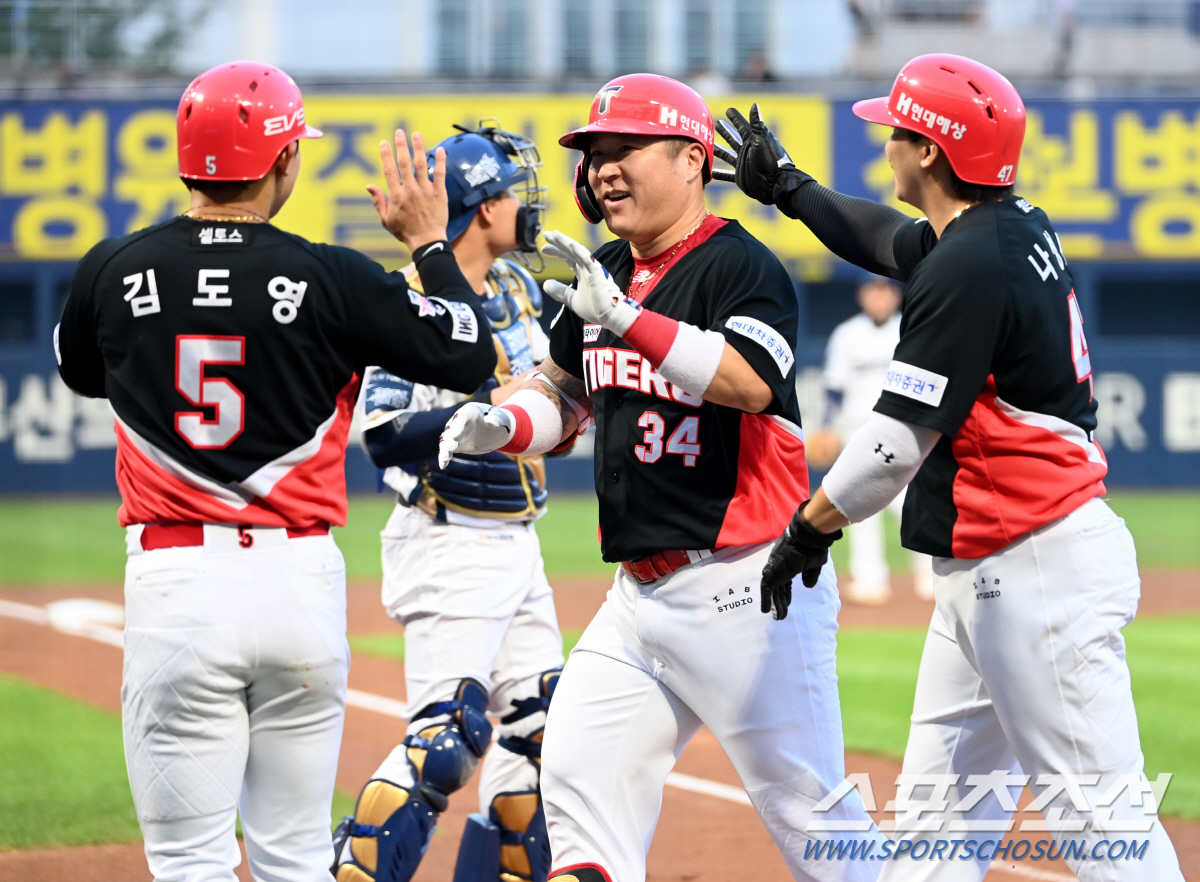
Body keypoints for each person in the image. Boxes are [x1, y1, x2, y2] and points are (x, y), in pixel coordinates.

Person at [715, 55, 1185, 880]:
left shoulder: (968, 265)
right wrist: (791, 188)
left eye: (896, 131)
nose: (886, 144)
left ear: (929, 150)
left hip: (1038, 566)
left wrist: (807, 529)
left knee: (1103, 827)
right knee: (936, 835)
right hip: (997, 568)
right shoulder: (1003, 227)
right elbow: (880, 237)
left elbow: (895, 446)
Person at [54, 61, 497, 882]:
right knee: (294, 857)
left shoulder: (111, 269)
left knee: (190, 862)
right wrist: (431, 244)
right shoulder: (333, 276)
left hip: (177, 585)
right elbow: (468, 353)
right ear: (285, 158)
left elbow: (81, 372)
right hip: (299, 582)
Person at [438, 73, 882, 882]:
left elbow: (749, 381)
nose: (604, 169)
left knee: (820, 830)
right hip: (637, 601)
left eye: (626, 149)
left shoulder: (741, 266)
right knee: (578, 786)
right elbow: (562, 390)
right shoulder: (606, 264)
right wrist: (510, 426)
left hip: (749, 589)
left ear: (691, 159)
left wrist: (624, 317)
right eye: (596, 154)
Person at [332, 122, 567, 882]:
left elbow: (548, 396)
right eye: (510, 192)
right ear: (483, 207)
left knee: (545, 733)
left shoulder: (517, 288)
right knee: (446, 742)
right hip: (449, 537)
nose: (524, 203)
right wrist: (478, 416)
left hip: (520, 536)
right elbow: (380, 432)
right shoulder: (408, 296)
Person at [817, 275, 933, 604]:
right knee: (858, 505)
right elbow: (834, 386)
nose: (879, 298)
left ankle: (928, 573)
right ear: (862, 295)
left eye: (885, 291)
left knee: (911, 504)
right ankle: (870, 579)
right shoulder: (847, 333)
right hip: (856, 428)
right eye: (874, 291)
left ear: (895, 296)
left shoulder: (910, 328)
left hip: (903, 429)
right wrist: (826, 426)